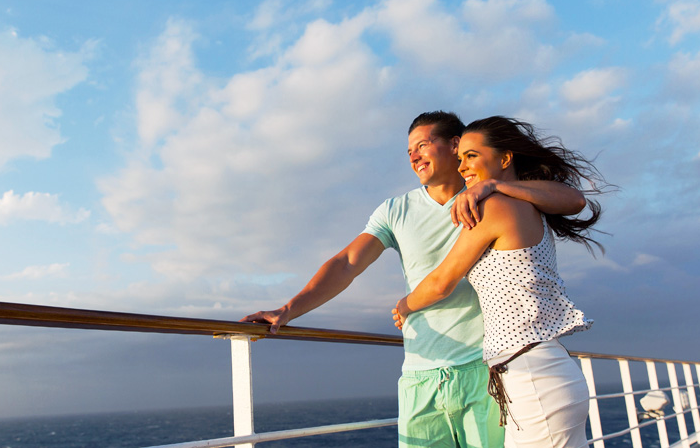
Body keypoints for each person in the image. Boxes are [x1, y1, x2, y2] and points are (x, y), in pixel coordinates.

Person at [241, 111, 586, 448]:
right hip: (422, 376)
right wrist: (288, 310)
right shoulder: (394, 211)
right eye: (409, 151)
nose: (414, 156)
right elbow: (347, 262)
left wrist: (492, 186)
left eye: (423, 144)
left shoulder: (493, 200)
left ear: (455, 144)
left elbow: (571, 200)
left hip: (487, 373)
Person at [392, 116, 604, 448]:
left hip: (534, 378)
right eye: (460, 157)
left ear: (505, 159)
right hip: (540, 372)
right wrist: (493, 185)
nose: (462, 167)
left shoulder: (496, 207)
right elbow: (573, 200)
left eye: (471, 156)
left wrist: (404, 306)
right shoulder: (524, 202)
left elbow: (441, 282)